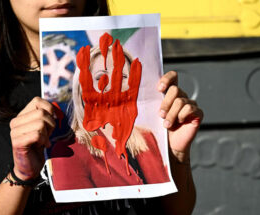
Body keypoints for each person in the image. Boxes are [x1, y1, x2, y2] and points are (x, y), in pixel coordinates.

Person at [0, 0, 203, 215]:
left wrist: (177, 157)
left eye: (120, 78)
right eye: (99, 80)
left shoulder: (138, 84)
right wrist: (20, 176)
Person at [50, 43, 170, 190]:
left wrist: (178, 152)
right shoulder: (68, 150)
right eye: (101, 77)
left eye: (123, 76)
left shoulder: (147, 138)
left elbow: (171, 209)